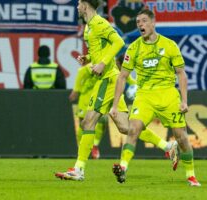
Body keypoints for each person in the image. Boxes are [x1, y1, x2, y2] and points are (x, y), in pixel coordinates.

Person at [55, 0, 177, 181]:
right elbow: (103, 49)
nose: (77, 6)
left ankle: (79, 169)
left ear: (86, 5)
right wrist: (89, 58)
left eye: (80, 3)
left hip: (107, 79)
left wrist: (103, 63)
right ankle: (168, 146)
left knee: (87, 123)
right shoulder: (90, 26)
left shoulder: (98, 22)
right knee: (125, 127)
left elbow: (118, 42)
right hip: (109, 79)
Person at [110, 9, 201, 186]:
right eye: (138, 23)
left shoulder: (169, 45)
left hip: (168, 94)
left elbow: (181, 74)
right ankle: (123, 168)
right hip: (145, 96)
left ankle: (191, 175)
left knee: (181, 137)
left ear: (153, 23)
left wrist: (184, 100)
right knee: (134, 128)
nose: (140, 25)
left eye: (144, 21)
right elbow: (122, 77)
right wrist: (115, 105)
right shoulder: (134, 48)